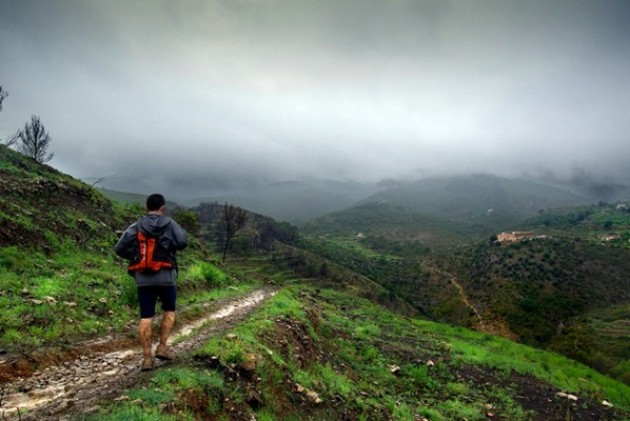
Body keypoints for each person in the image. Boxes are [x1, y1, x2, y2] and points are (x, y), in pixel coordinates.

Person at [115, 193, 188, 371]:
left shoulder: (137, 225)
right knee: (169, 311)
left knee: (145, 316)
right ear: (162, 208)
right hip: (166, 276)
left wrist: (134, 257)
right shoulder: (169, 223)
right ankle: (162, 347)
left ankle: (147, 359)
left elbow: (119, 248)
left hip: (143, 278)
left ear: (146, 208)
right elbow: (182, 241)